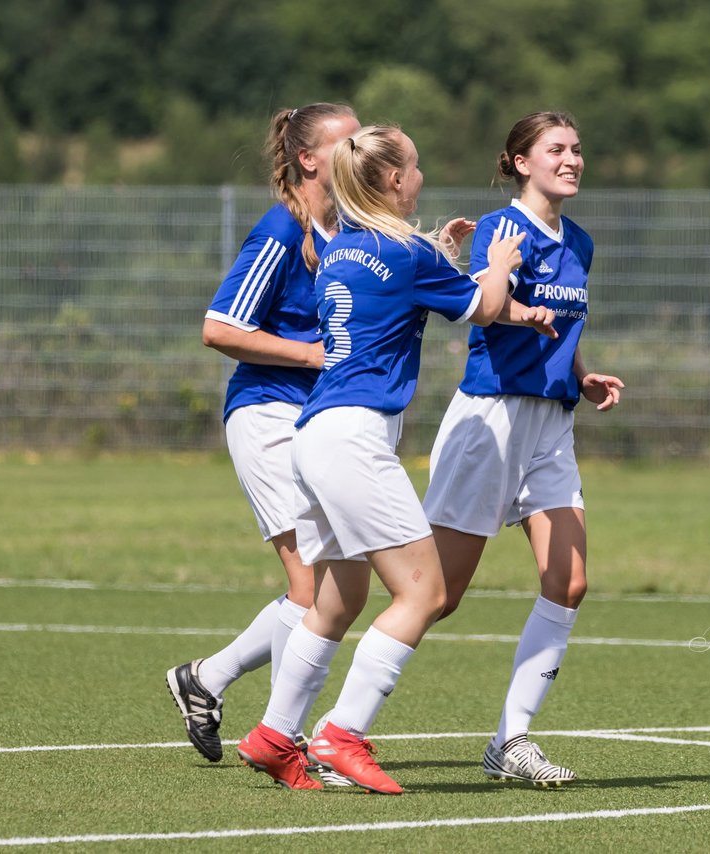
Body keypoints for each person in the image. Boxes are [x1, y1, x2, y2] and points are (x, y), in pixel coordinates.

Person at [235, 124, 555, 794]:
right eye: (415, 167)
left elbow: (392, 293)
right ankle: (343, 731)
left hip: (312, 433)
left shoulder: (342, 248)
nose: (421, 178)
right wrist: (494, 262)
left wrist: (443, 254)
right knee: (425, 592)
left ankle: (273, 735)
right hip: (354, 438)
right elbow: (487, 307)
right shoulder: (407, 250)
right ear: (392, 181)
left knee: (338, 596)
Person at [423, 111, 624, 787]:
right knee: (433, 595)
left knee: (569, 581)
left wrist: (581, 374)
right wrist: (509, 302)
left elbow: (559, 334)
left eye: (577, 148)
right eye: (556, 149)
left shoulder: (582, 245)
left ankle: (511, 742)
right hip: (492, 419)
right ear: (519, 162)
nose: (572, 159)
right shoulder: (501, 232)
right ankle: (325, 722)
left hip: (551, 423)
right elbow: (483, 308)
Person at [166, 103, 360, 764]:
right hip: (268, 414)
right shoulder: (282, 229)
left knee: (332, 584)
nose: (362, 149)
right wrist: (311, 356)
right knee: (312, 587)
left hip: (317, 422)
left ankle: (208, 679)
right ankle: (286, 735)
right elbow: (219, 328)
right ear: (308, 159)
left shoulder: (348, 233)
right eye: (347, 141)